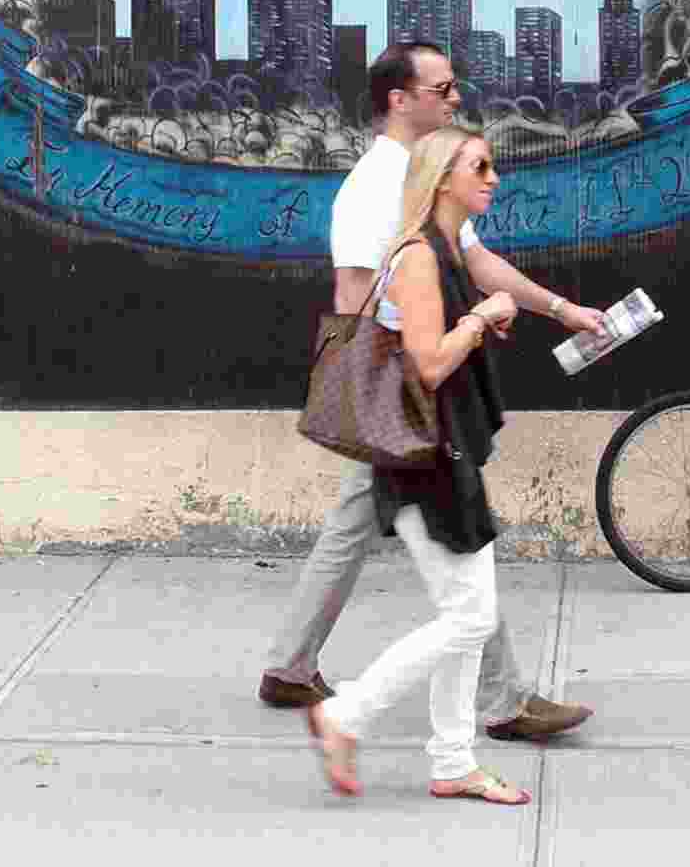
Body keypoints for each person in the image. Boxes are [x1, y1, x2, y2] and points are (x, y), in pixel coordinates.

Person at [260, 41, 606, 744]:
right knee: (461, 529)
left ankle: (290, 666)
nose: (454, 97)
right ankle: (504, 700)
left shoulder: (426, 174)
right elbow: (353, 298)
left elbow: (476, 261)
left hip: (416, 382)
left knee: (363, 521)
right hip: (408, 389)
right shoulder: (372, 188)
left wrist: (562, 312)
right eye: (442, 88)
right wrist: (378, 391)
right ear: (400, 98)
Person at [309, 125, 533, 800]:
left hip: (443, 449)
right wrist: (481, 317)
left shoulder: (442, 253)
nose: (493, 177)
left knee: (470, 612)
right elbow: (428, 366)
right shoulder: (419, 258)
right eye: (480, 167)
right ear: (442, 180)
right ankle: (343, 715)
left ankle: (453, 763)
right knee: (469, 618)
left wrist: (478, 316)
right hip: (425, 458)